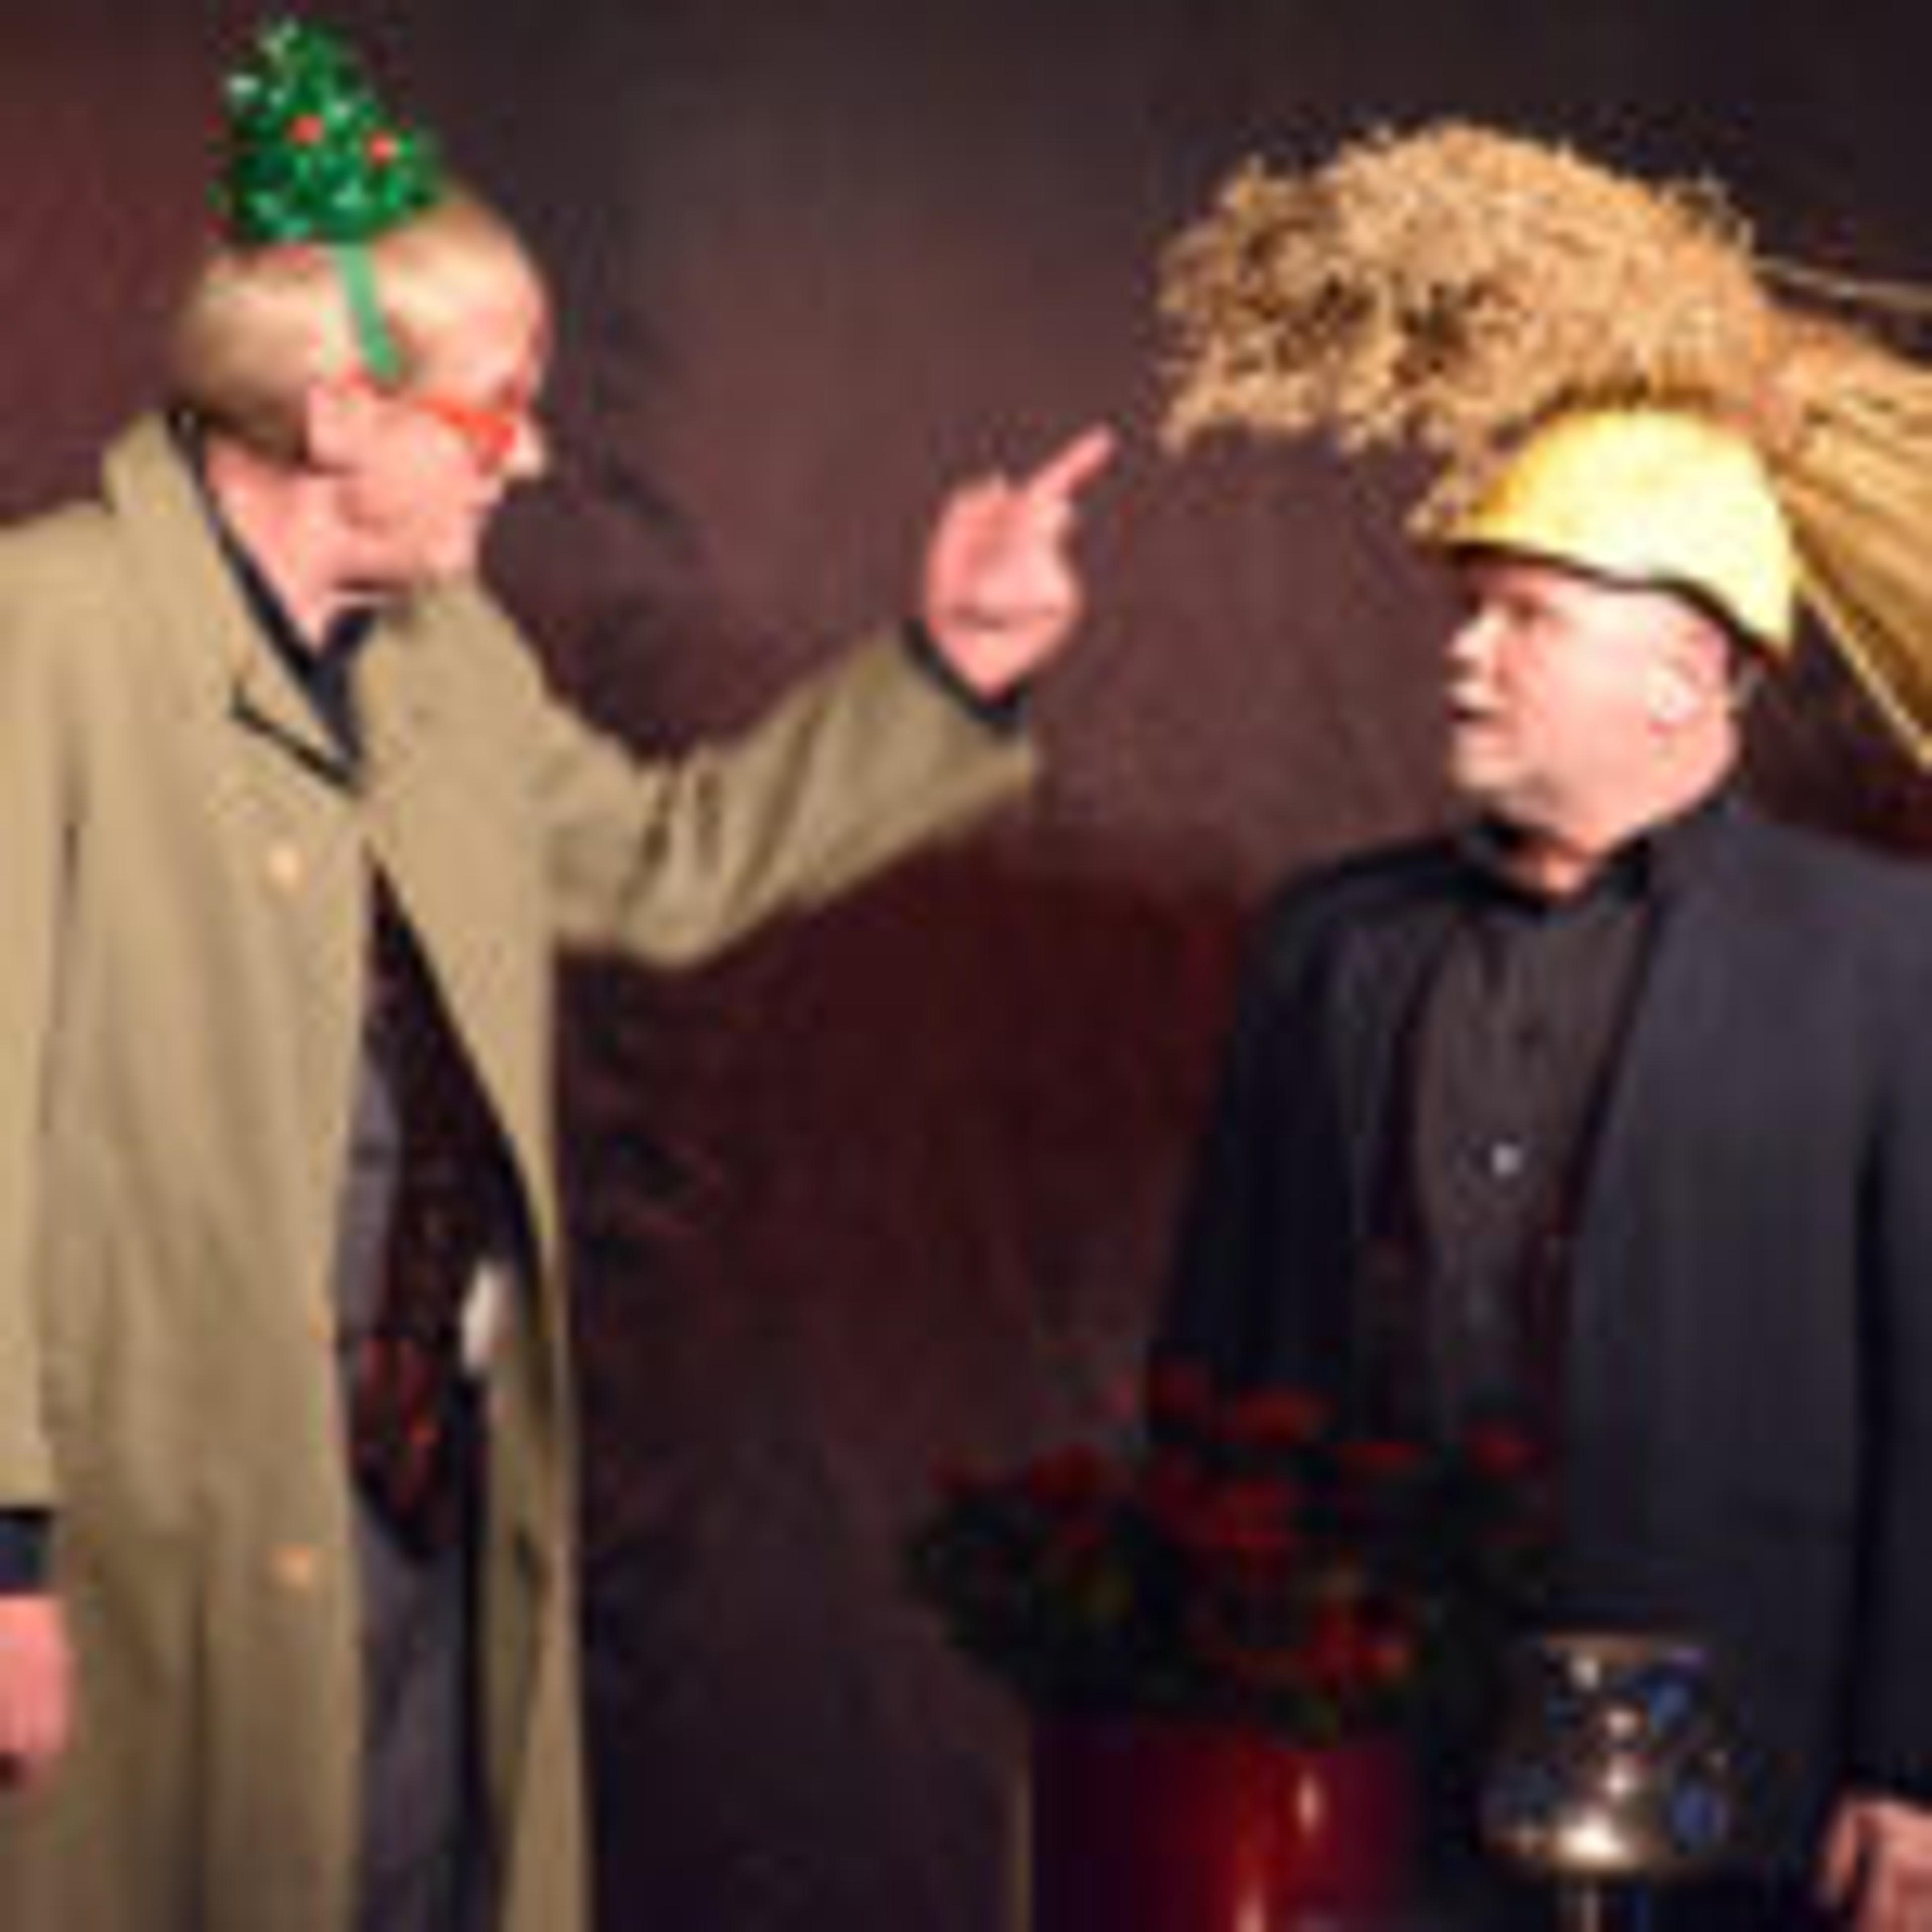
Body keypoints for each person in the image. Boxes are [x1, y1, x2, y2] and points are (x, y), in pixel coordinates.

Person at [0, 21, 1111, 1932]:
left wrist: (952, 671)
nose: (531, 455)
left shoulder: (456, 665)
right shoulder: (48, 638)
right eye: (494, 408)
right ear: (340, 413)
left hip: (420, 1503)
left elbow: (672, 867)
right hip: (132, 1553)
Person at [1153, 401, 1932, 1930]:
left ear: (1686, 671)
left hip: (1745, 1796)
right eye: (1470, 611)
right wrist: (1204, 1692)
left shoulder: (1891, 962)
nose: (1466, 655)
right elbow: (1220, 1340)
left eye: (1528, 617)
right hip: (1366, 1763)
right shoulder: (1328, 944)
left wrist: (1915, 1761)